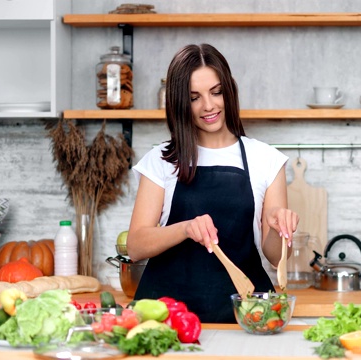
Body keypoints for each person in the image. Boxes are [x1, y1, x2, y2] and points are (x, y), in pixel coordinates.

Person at [127, 43, 299, 323]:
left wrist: (281, 229)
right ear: (180, 102)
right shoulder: (161, 160)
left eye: (216, 92)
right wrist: (185, 228)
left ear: (229, 91)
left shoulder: (265, 159)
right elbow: (135, 245)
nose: (209, 105)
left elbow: (275, 257)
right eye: (194, 97)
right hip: (167, 319)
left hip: (243, 315)